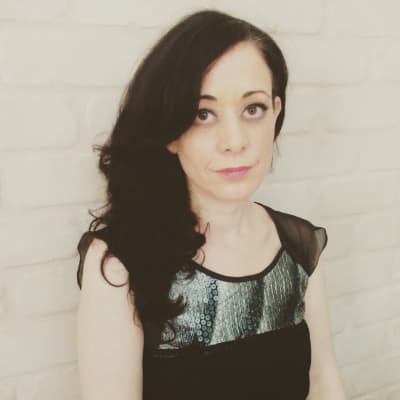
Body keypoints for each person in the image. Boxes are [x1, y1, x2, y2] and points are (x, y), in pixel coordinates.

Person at [75, 9, 347, 400]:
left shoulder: (299, 247)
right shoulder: (120, 264)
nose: (235, 141)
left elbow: (324, 384)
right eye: (203, 114)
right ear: (169, 132)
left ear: (276, 112)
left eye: (253, 109)